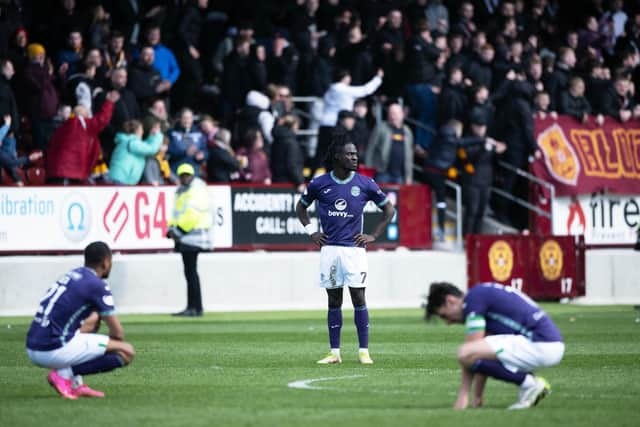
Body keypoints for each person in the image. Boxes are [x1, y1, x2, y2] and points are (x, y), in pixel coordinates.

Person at [295, 133, 395, 365]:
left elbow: (389, 210)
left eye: (355, 154)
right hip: (329, 250)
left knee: (359, 297)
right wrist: (311, 231)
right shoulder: (320, 183)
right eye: (349, 154)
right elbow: (301, 207)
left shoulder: (365, 183)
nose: (354, 158)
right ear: (338, 157)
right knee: (334, 300)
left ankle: (364, 352)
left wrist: (374, 235)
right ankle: (334, 352)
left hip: (354, 251)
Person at [425, 282, 565, 410]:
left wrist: (463, 397)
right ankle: (528, 388)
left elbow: (470, 350)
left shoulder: (473, 299)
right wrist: (477, 396)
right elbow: (480, 354)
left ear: (451, 301)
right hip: (549, 344)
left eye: (444, 316)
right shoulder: (483, 295)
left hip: (539, 343)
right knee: (472, 353)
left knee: (464, 352)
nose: (448, 323)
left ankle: (530, 383)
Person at [25, 241, 135, 399]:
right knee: (126, 351)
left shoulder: (71, 275)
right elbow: (118, 333)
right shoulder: (98, 285)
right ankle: (64, 375)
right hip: (51, 349)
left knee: (92, 321)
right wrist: (109, 343)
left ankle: (76, 385)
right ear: (106, 261)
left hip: (32, 346)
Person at [166, 163, 213, 317]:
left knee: (191, 272)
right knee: (190, 272)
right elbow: (176, 213)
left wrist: (177, 231)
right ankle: (194, 307)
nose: (185, 177)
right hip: (186, 237)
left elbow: (192, 214)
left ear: (192, 175)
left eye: (187, 175)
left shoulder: (195, 190)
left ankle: (194, 307)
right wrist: (171, 229)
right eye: (182, 175)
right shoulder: (183, 191)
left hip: (193, 237)